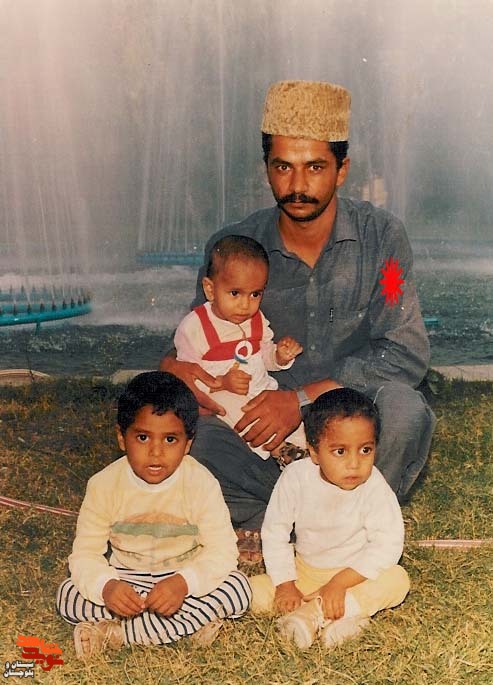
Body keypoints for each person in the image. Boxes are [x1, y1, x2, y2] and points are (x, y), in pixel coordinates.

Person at [160, 80, 436, 543]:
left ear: (342, 170)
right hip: (264, 438)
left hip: (351, 429)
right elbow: (195, 337)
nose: (298, 186)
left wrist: (302, 399)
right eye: (283, 167)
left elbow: (404, 352)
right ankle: (312, 518)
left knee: (405, 412)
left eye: (315, 167)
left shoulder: (382, 239)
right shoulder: (234, 249)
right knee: (191, 436)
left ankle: (311, 518)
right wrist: (174, 367)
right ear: (266, 168)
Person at [56, 371, 251, 658]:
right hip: (126, 580)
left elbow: (222, 550)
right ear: (122, 438)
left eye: (170, 439)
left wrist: (184, 583)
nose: (156, 452)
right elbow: (85, 554)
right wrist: (107, 587)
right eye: (143, 437)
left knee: (238, 589)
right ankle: (179, 626)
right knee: (68, 594)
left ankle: (119, 633)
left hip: (182, 578)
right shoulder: (103, 485)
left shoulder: (201, 483)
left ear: (188, 444)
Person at [249, 388, 410, 650]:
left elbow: (387, 545)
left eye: (365, 450)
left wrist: (338, 584)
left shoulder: (374, 486)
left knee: (397, 580)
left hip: (355, 577)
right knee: (251, 591)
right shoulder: (296, 478)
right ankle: (343, 617)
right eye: (340, 451)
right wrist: (285, 584)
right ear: (314, 451)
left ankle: (314, 613)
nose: (354, 463)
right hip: (304, 574)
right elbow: (275, 532)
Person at [174, 234, 306, 466]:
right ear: (210, 289)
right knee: (233, 408)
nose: (245, 305)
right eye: (235, 293)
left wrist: (279, 356)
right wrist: (222, 383)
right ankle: (280, 450)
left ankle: (305, 455)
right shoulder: (195, 327)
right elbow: (189, 379)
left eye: (255, 294)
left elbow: (263, 355)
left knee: (295, 425)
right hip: (223, 397)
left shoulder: (256, 319)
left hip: (261, 390)